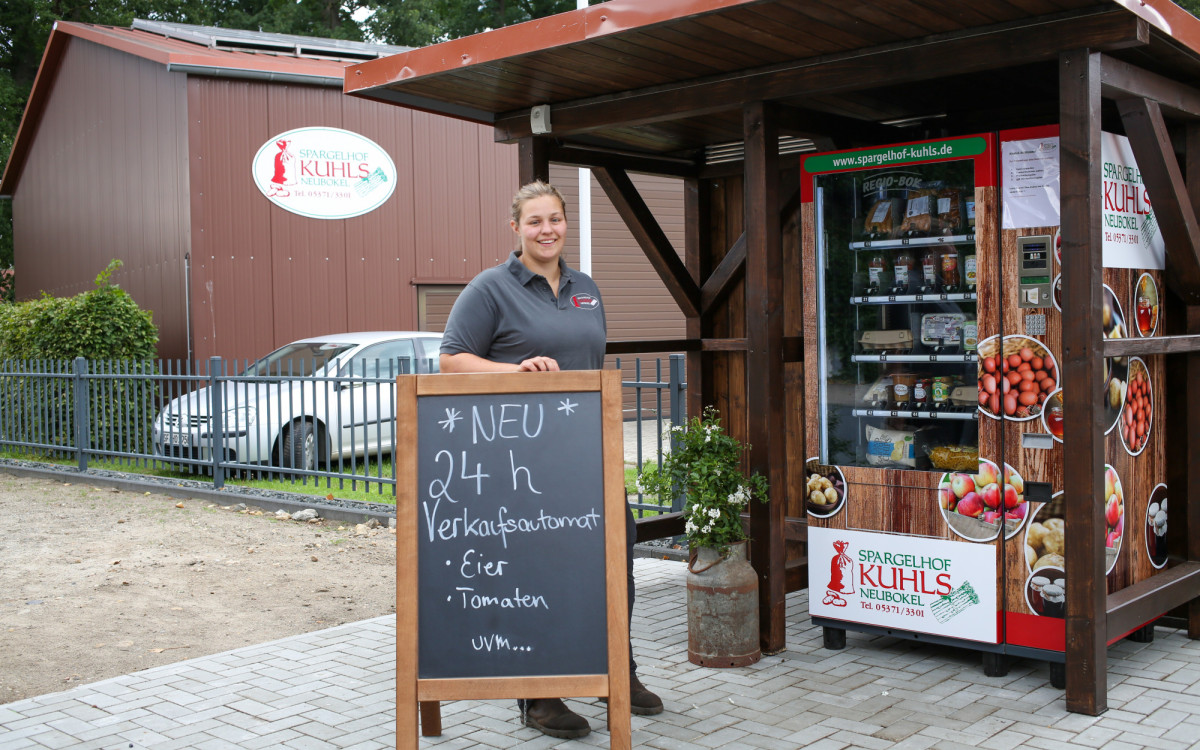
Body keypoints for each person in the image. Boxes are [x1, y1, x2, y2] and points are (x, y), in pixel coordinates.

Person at [440, 180, 663, 739]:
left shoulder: (586, 288)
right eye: (535, 221)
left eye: (555, 220)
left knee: (615, 564)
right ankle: (538, 694)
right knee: (539, 572)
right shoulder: (490, 288)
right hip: (523, 465)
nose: (547, 230)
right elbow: (449, 360)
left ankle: (619, 670)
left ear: (566, 223)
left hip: (589, 451)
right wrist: (513, 373)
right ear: (515, 228)